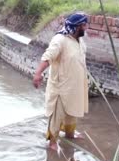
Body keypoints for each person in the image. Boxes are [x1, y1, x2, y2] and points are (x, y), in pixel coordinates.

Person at [33, 13, 89, 151]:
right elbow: (48, 56)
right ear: (76, 27)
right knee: (56, 116)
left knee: (73, 112)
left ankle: (70, 134)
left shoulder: (79, 41)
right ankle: (52, 142)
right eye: (83, 25)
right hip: (61, 87)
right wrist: (38, 73)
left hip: (75, 86)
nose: (86, 27)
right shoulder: (60, 40)